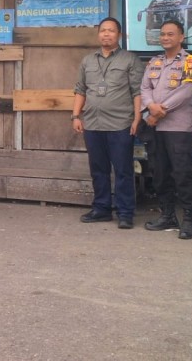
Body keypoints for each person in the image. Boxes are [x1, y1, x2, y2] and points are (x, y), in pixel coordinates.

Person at [72, 17, 143, 229]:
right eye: (103, 30)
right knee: (98, 169)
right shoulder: (87, 61)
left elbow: (138, 92)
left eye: (111, 31)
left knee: (123, 170)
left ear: (119, 35)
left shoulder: (130, 60)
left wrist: (137, 119)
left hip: (120, 123)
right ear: (98, 34)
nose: (106, 34)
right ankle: (101, 208)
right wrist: (76, 116)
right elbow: (80, 90)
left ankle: (125, 212)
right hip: (92, 124)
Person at [140, 19, 192, 239]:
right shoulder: (154, 62)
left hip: (178, 128)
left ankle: (188, 220)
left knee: (183, 174)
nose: (166, 38)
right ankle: (167, 215)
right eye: (163, 34)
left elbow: (186, 91)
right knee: (159, 173)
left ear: (181, 37)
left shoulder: (191, 61)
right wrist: (149, 106)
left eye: (171, 34)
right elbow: (144, 87)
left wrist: (158, 111)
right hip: (155, 128)